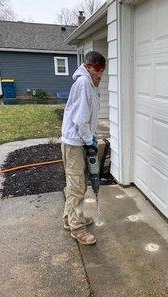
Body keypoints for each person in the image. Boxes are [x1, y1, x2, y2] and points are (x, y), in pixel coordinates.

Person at [61, 51, 106, 245]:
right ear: (92, 67)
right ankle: (77, 229)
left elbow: (88, 117)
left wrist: (91, 138)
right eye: (100, 72)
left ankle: (70, 220)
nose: (101, 76)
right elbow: (80, 120)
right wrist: (90, 142)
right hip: (74, 143)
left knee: (78, 184)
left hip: (81, 140)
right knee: (77, 186)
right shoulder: (83, 83)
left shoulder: (90, 84)